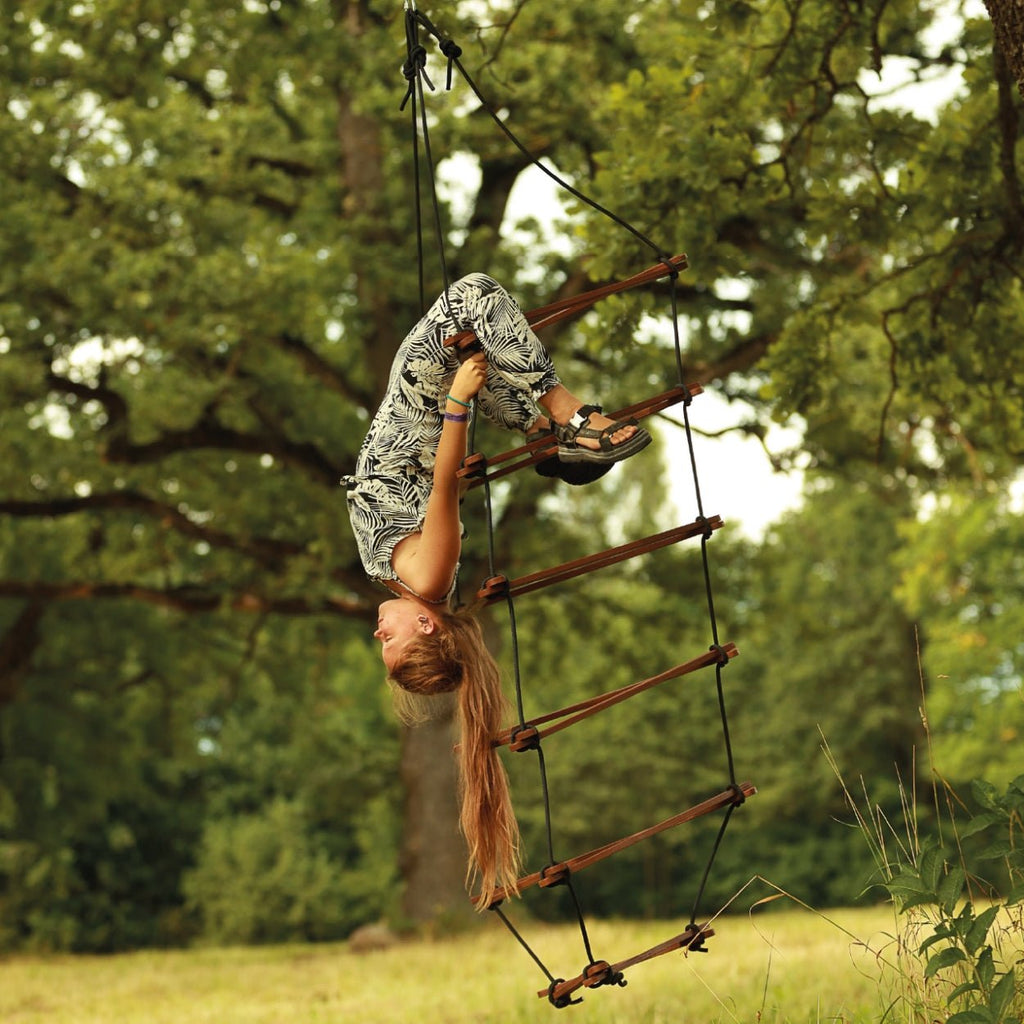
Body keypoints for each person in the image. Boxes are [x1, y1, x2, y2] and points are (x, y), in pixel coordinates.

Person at [344, 273, 651, 906]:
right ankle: (573, 417)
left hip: (423, 417)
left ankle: (549, 440)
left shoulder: (402, 578)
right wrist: (456, 400)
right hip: (426, 405)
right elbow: (445, 486)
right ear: (427, 625)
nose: (378, 632)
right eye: (390, 642)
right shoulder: (426, 578)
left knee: (490, 358)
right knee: (474, 293)